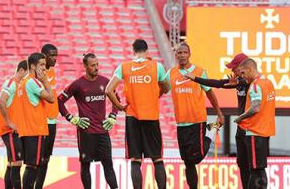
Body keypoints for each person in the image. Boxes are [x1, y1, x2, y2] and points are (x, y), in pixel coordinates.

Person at [105, 39, 169, 189]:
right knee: (157, 159)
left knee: (135, 160)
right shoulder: (157, 67)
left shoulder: (124, 67)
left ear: (133, 51)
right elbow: (166, 88)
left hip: (132, 117)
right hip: (152, 117)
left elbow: (108, 89)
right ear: (147, 51)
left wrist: (120, 106)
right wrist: (155, 93)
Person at [185, 53, 251, 188]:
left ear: (243, 67)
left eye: (234, 68)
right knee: (242, 163)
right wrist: (196, 79)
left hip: (251, 129)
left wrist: (238, 83)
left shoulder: (250, 81)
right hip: (241, 128)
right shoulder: (238, 82)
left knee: (253, 165)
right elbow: (219, 83)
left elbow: (246, 83)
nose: (232, 71)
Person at [165, 43, 224, 189]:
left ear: (189, 54)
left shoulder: (199, 72)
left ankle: (210, 132)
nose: (182, 55)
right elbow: (161, 89)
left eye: (184, 52)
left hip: (197, 120)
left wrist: (219, 113)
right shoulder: (171, 73)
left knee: (195, 158)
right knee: (187, 161)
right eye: (179, 53)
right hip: (181, 123)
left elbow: (210, 93)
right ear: (175, 55)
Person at [58, 53, 119, 189]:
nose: (96, 68)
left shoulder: (105, 82)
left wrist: (113, 116)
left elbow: (117, 99)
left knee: (108, 166)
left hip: (103, 132)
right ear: (85, 66)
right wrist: (71, 118)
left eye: (97, 64)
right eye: (93, 65)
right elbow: (59, 101)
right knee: (85, 166)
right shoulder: (78, 84)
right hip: (86, 133)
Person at [234, 58, 276, 189]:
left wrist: (240, 117)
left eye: (242, 72)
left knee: (256, 171)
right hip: (264, 132)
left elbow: (256, 107)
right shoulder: (268, 82)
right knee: (259, 168)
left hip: (254, 132)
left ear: (250, 69)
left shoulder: (256, 85)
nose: (241, 76)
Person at [18, 53, 54, 189]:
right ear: (33, 66)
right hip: (35, 130)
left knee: (30, 166)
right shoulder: (32, 82)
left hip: (27, 130)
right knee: (33, 167)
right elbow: (51, 98)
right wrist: (45, 81)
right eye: (42, 65)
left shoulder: (23, 82)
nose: (44, 68)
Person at [0, 60, 28, 189]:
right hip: (9, 130)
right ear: (21, 70)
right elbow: (0, 101)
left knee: (11, 163)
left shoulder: (19, 85)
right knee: (17, 162)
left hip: (15, 131)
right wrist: (10, 122)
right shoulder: (11, 83)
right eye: (27, 73)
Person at [35, 44, 59, 189]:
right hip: (40, 121)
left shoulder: (52, 71)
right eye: (52, 55)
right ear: (43, 56)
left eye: (56, 55)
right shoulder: (37, 74)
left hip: (52, 120)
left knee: (46, 158)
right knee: (37, 159)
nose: (55, 58)